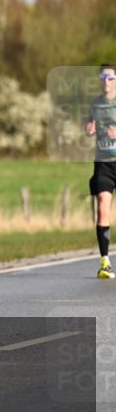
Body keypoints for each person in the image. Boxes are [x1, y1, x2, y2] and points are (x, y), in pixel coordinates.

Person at [85, 63, 116, 279]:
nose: (106, 81)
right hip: (103, 163)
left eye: (110, 77)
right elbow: (89, 125)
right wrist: (89, 129)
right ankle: (105, 262)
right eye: (103, 77)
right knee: (102, 207)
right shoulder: (95, 104)